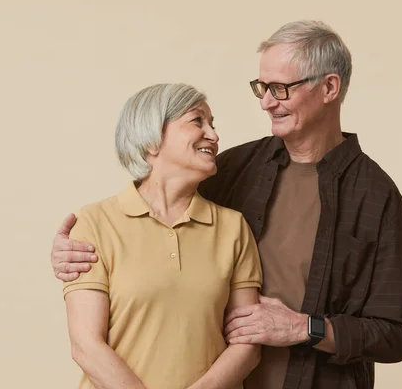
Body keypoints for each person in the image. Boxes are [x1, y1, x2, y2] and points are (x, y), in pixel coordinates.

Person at [52, 20, 402, 389]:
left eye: (281, 88)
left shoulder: (376, 196)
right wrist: (75, 251)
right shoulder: (233, 168)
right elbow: (153, 209)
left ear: (329, 87)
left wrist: (305, 328)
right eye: (262, 87)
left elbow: (397, 334)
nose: (266, 101)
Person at [60, 83, 263, 389]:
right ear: (152, 139)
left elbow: (247, 345)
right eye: (197, 121)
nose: (213, 135)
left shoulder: (233, 227)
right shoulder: (94, 222)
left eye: (213, 124)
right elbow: (86, 345)